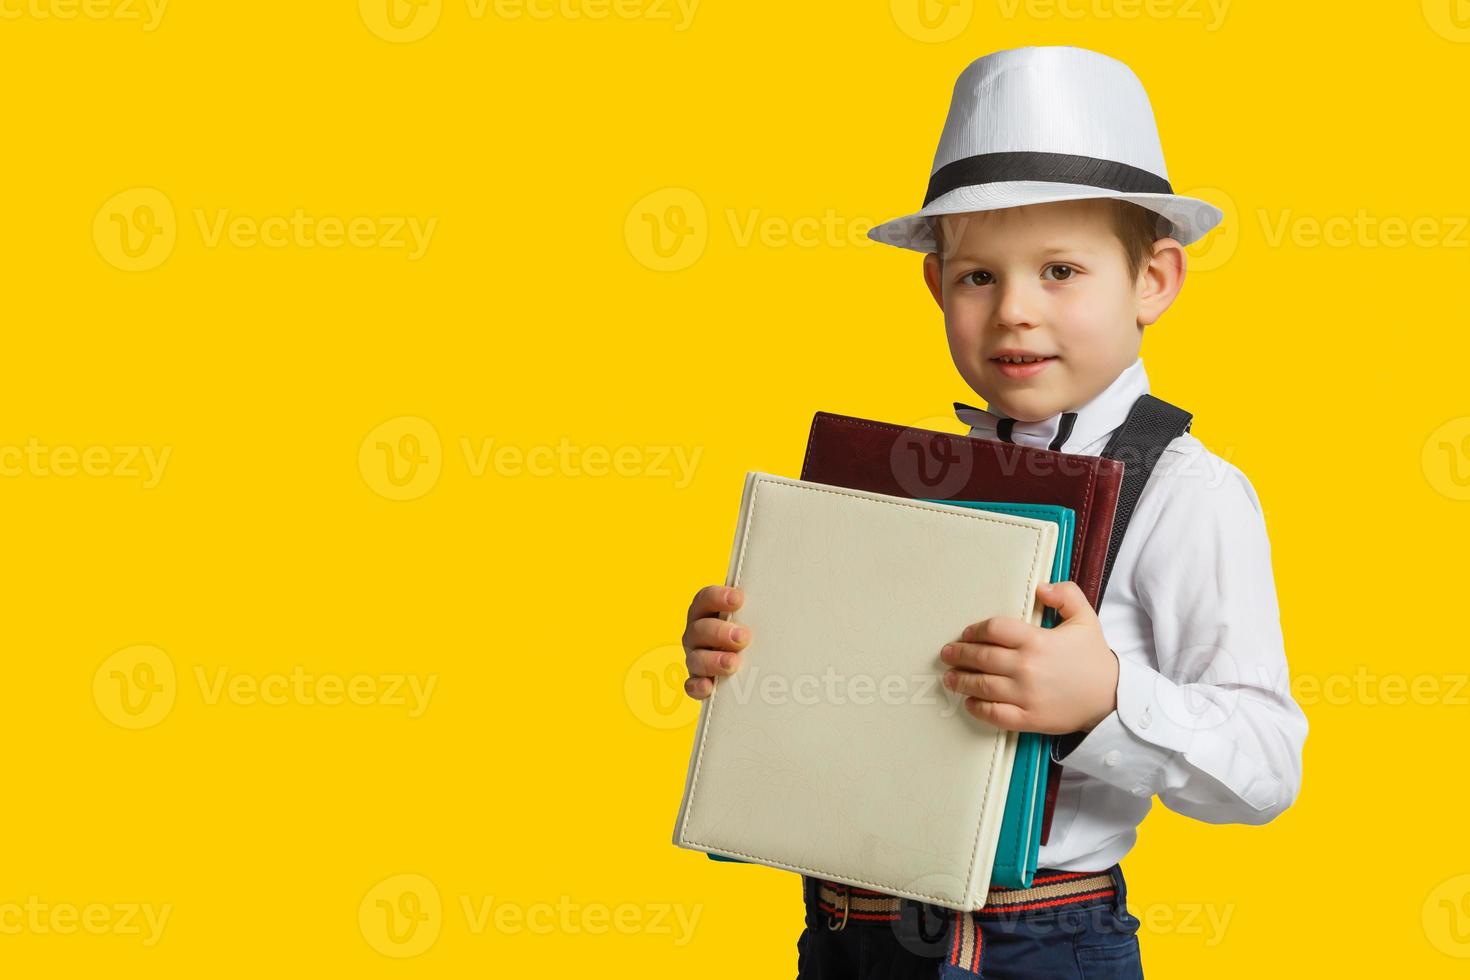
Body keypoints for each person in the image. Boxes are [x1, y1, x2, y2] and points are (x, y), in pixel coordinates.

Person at [679, 45, 1308, 978]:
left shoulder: (1191, 494)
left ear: (1154, 282)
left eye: (1060, 270)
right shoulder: (904, 482)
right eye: (979, 277)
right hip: (848, 933)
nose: (1014, 310)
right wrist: (751, 653)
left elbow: (1266, 767)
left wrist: (1105, 703)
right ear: (937, 287)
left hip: (1040, 941)